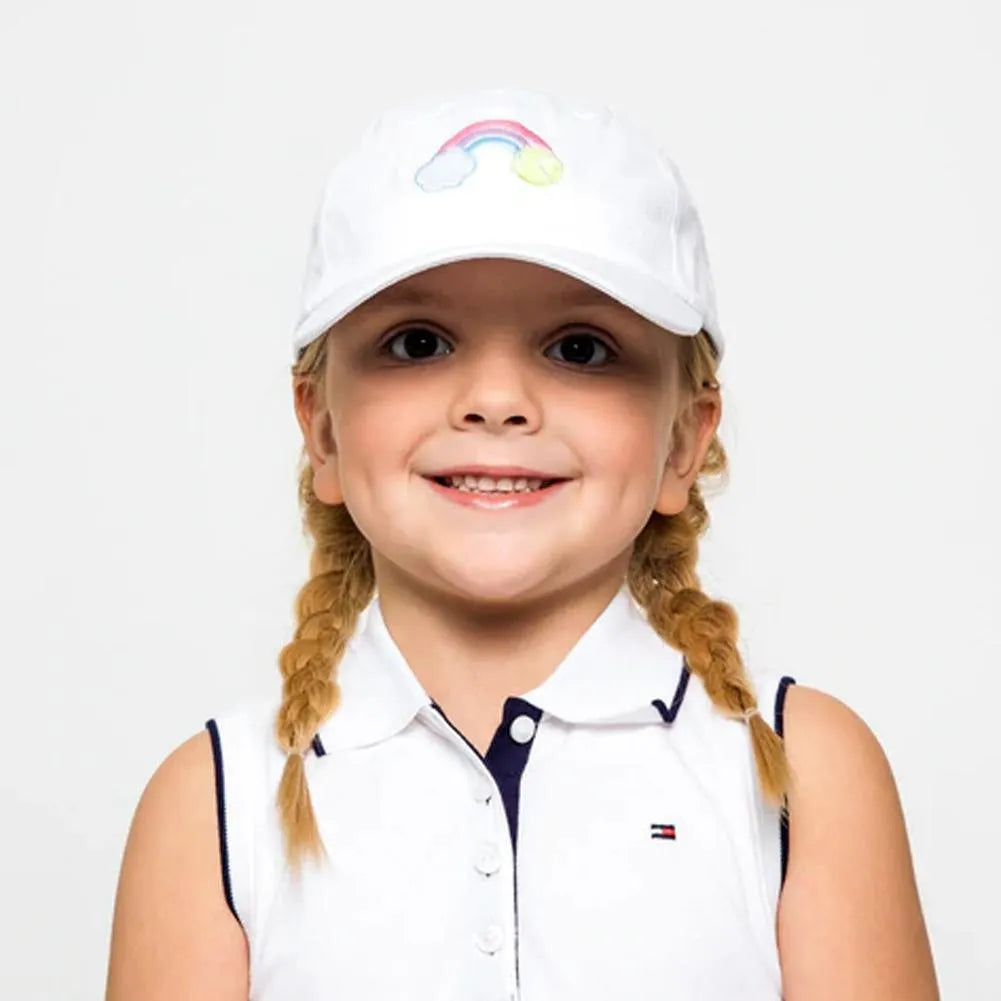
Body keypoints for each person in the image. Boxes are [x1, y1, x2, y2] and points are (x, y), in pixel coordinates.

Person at [105, 88, 940, 1000]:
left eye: (579, 349)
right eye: (417, 342)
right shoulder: (214, 800)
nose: (495, 400)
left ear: (682, 441)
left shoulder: (801, 770)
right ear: (323, 430)